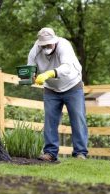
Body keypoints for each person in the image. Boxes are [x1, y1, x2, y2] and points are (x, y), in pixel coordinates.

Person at [27, 27, 88, 162]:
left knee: (78, 118)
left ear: (54, 41)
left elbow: (67, 67)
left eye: (49, 44)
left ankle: (80, 153)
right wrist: (32, 76)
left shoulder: (64, 45)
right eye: (44, 45)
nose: (46, 47)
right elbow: (30, 68)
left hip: (72, 85)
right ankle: (50, 153)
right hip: (51, 89)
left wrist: (49, 73)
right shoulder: (35, 50)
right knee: (50, 120)